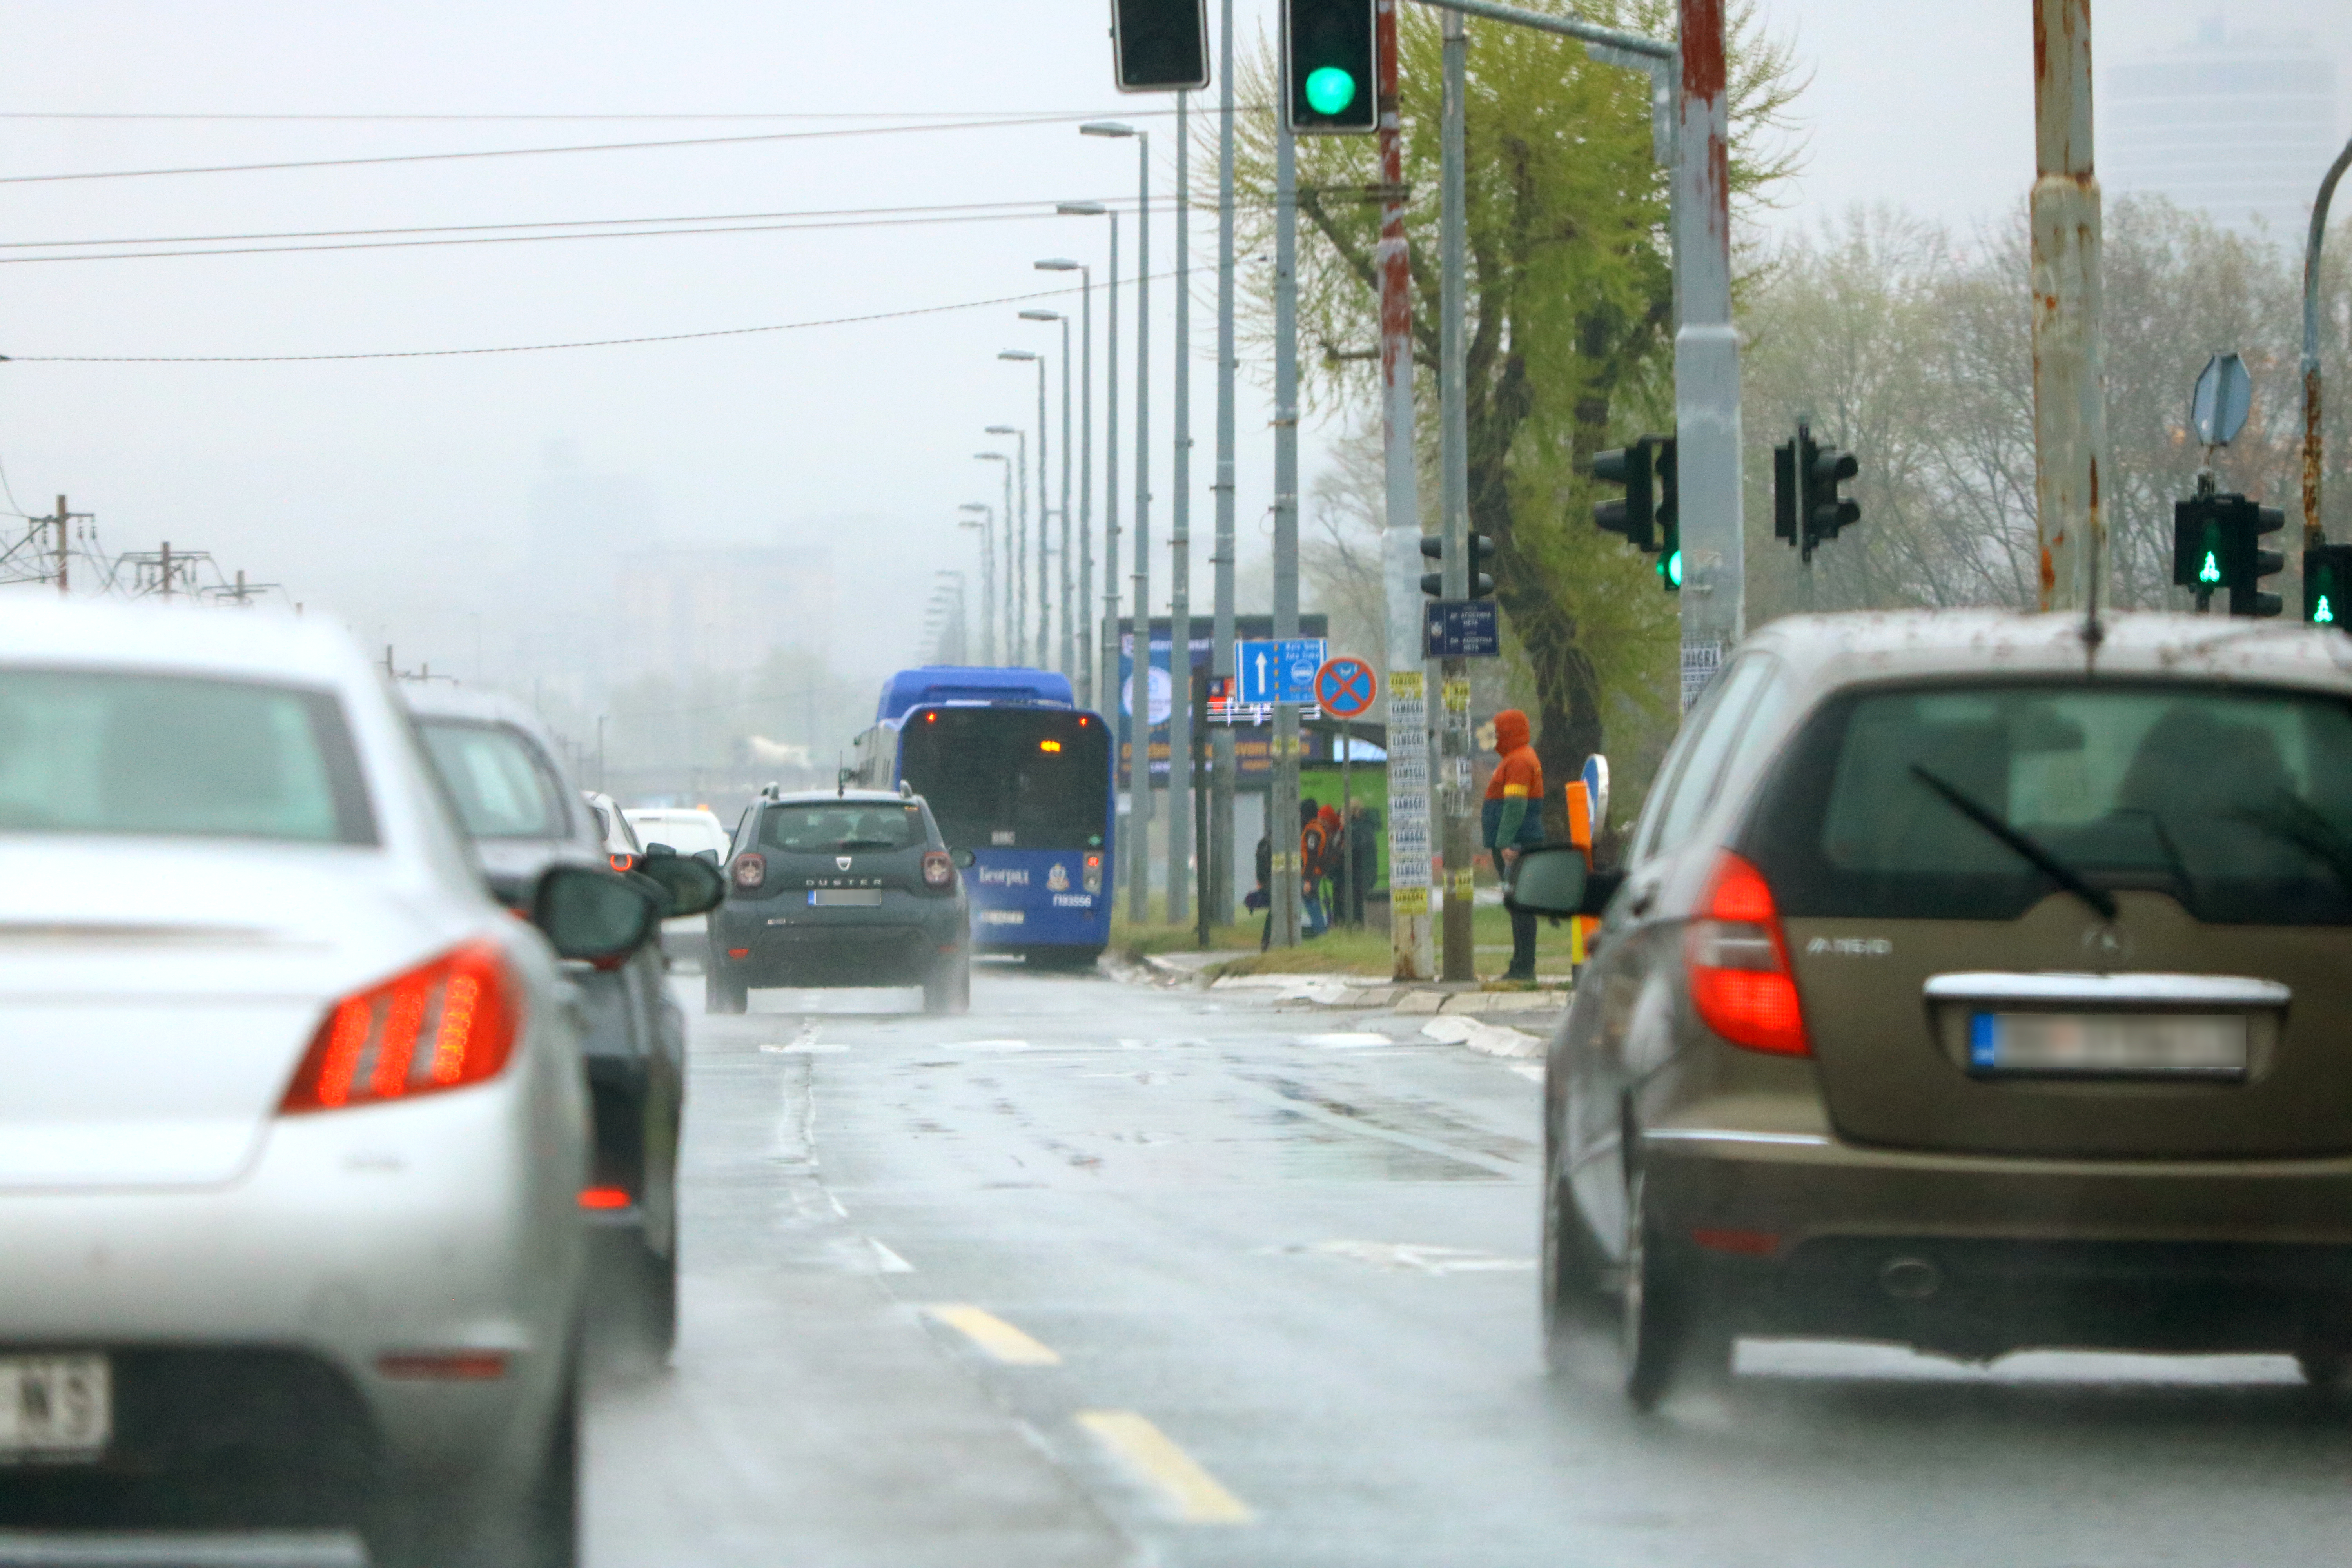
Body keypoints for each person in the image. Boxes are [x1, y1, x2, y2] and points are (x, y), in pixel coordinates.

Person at [1483, 708, 1546, 982]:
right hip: (1518, 842)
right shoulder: (1517, 758)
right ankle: (1520, 966)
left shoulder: (1519, 761)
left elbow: (1515, 805)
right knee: (1518, 905)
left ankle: (1523, 969)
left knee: (1520, 906)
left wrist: (1506, 843)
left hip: (1517, 844)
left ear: (1509, 733)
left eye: (1498, 732)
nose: (1495, 738)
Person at [1299, 798, 1330, 938]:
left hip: (1312, 873)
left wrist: (1307, 880)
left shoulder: (1312, 831)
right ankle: (1320, 929)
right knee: (1312, 900)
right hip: (1315, 872)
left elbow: (1311, 856)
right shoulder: (1316, 828)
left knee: (1311, 901)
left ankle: (1320, 930)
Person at [1346, 799, 1379, 926]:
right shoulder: (1366, 827)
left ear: (1356, 812)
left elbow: (1355, 851)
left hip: (1361, 873)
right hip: (1366, 872)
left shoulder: (1358, 829)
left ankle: (1360, 926)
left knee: (1358, 904)